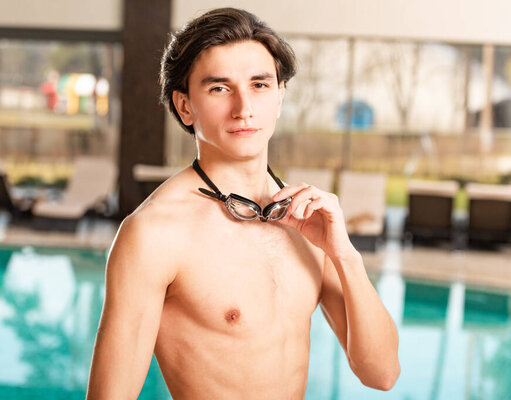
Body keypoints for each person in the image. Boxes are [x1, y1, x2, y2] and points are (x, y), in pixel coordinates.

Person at [87, 7, 400, 399]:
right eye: (220, 88)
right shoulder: (154, 233)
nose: (244, 108)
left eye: (259, 85)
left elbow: (382, 373)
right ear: (184, 106)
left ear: (280, 95)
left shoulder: (307, 219)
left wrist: (345, 255)